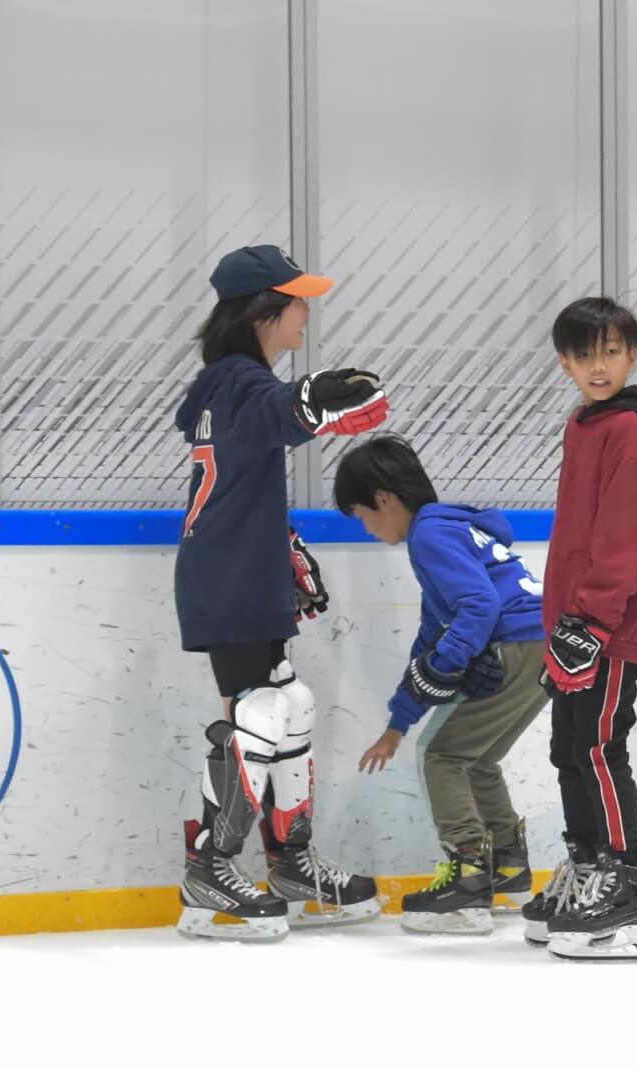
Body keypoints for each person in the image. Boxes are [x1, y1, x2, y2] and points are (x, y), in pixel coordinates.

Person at [172, 244, 389, 943]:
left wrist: (283, 547)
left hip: (242, 567)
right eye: (296, 300)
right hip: (229, 576)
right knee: (261, 712)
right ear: (264, 309)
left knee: (288, 705)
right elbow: (282, 411)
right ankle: (210, 869)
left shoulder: (226, 382)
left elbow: (240, 474)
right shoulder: (240, 383)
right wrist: (316, 397)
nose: (306, 311)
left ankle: (289, 863)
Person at [337, 435, 549, 936]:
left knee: (442, 756)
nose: (367, 529)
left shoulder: (429, 535)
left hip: (514, 647)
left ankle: (469, 879)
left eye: (362, 516)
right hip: (543, 648)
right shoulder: (450, 528)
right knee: (477, 760)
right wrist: (398, 720)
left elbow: (479, 607)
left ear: (384, 499)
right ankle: (510, 872)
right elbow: (432, 633)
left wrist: (449, 663)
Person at [522, 296, 637, 963]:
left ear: (632, 355)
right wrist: (565, 622)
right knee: (568, 749)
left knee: (598, 748)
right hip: (575, 625)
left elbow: (622, 540)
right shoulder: (586, 424)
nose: (598, 364)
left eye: (610, 351)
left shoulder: (630, 436)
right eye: (583, 354)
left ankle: (627, 877)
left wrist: (589, 622)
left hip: (608, 630)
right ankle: (588, 865)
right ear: (565, 361)